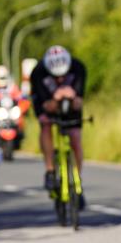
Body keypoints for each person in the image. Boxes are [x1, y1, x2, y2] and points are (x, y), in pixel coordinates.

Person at [30, 46, 87, 206]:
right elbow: (46, 105)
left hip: (70, 104)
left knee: (75, 137)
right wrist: (56, 99)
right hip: (45, 101)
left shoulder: (78, 67)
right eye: (56, 77)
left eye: (63, 76)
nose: (60, 80)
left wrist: (72, 96)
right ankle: (49, 170)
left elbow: (78, 102)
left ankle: (77, 183)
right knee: (46, 124)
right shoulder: (38, 72)